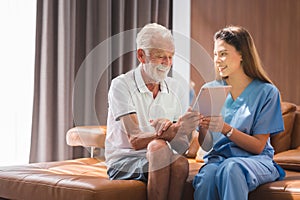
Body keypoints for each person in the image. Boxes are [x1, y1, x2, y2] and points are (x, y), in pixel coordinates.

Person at [105, 23, 199, 200]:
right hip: (124, 161)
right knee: (159, 147)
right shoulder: (121, 85)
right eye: (160, 57)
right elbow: (134, 139)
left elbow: (181, 147)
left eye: (170, 57)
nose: (167, 63)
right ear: (141, 55)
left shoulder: (176, 88)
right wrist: (172, 129)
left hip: (158, 157)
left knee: (179, 163)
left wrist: (186, 129)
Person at [192, 25, 285, 200]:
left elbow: (258, 146)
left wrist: (225, 128)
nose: (217, 60)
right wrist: (202, 126)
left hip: (255, 161)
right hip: (218, 159)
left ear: (242, 54)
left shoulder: (267, 92)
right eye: (215, 54)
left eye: (223, 53)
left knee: (231, 168)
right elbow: (205, 145)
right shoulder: (209, 90)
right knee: (207, 177)